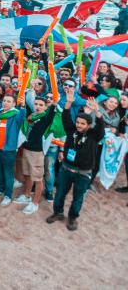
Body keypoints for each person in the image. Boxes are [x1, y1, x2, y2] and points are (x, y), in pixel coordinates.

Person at [47, 90, 105, 231]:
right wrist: (69, 102)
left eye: (82, 123)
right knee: (60, 193)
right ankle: (58, 213)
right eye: (78, 122)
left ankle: (72, 218)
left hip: (83, 173)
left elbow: (101, 127)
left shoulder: (94, 136)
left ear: (89, 125)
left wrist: (97, 111)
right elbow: (66, 117)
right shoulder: (71, 130)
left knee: (78, 197)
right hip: (66, 168)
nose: (79, 125)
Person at [14, 95, 58, 215]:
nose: (37, 106)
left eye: (41, 105)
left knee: (38, 179)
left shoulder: (45, 118)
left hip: (37, 152)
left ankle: (35, 203)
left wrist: (53, 104)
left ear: (45, 107)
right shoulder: (31, 116)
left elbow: (52, 111)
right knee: (27, 175)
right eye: (36, 104)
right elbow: (26, 105)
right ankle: (27, 195)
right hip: (27, 149)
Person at [0, 94, 26, 206]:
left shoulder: (16, 114)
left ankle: (8, 196)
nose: (5, 103)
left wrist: (23, 106)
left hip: (8, 150)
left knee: (8, 173)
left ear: (14, 104)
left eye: (9, 101)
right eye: (4, 100)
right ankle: (0, 189)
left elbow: (22, 116)